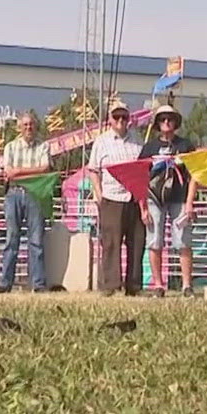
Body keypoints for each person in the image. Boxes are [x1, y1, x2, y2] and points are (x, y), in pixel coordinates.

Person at [139, 104, 199, 296]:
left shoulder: (185, 145)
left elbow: (194, 175)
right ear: (157, 123)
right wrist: (143, 208)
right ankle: (158, 285)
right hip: (154, 198)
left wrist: (190, 203)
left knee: (183, 241)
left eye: (170, 119)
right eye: (163, 119)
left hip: (179, 199)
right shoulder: (149, 147)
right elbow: (139, 177)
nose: (167, 122)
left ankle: (187, 285)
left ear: (176, 123)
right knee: (154, 240)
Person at [88, 99, 145, 296]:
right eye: (116, 116)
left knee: (137, 242)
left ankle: (134, 286)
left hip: (135, 198)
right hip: (111, 198)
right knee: (111, 243)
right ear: (110, 119)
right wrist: (99, 193)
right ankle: (110, 286)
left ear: (129, 119)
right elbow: (93, 169)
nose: (120, 120)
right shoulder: (101, 142)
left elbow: (144, 169)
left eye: (124, 116)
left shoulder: (138, 140)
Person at [0, 112, 52, 294]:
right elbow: (9, 172)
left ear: (36, 127)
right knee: (12, 239)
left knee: (36, 241)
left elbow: (45, 168)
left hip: (35, 195)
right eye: (25, 125)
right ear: (19, 128)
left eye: (31, 124)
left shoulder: (44, 146)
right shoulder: (10, 147)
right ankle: (5, 283)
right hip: (14, 194)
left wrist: (19, 171)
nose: (29, 128)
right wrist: (29, 172)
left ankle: (38, 284)